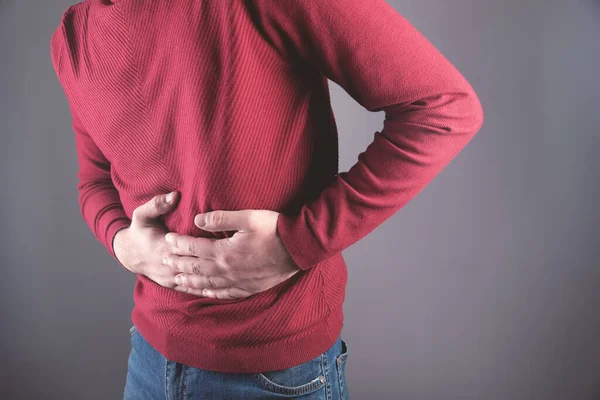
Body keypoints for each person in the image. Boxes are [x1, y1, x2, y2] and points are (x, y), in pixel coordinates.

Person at [49, 0, 484, 398]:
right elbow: (94, 180)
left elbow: (444, 107)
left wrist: (297, 243)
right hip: (148, 360)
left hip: (275, 373)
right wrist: (122, 243)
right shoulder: (73, 36)